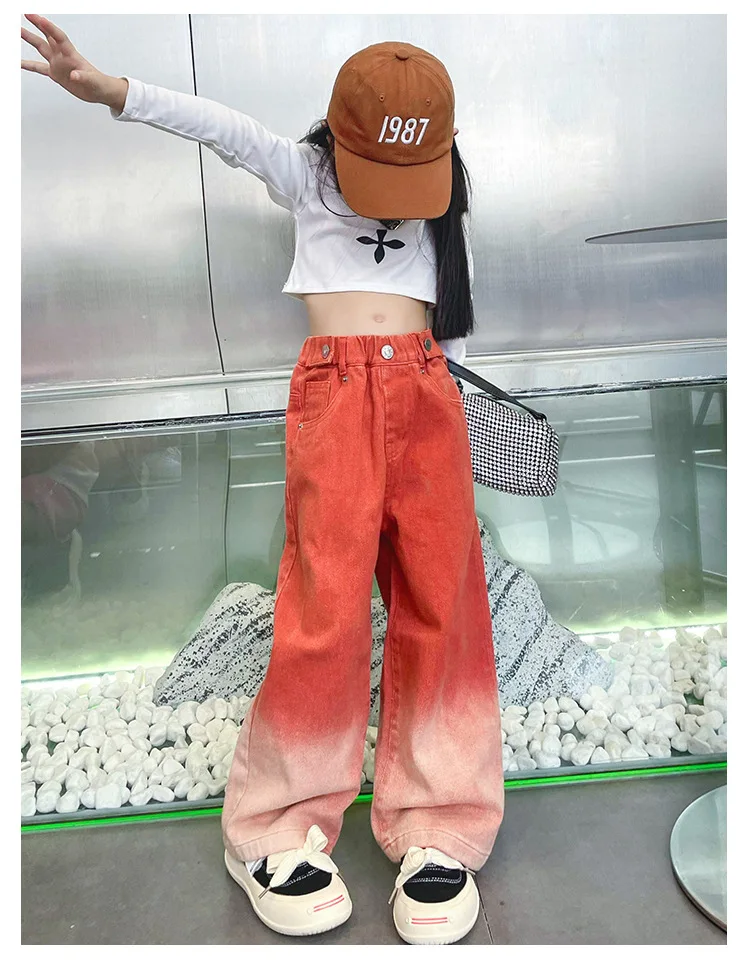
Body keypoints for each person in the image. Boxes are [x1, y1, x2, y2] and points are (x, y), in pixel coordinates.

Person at [22, 16, 504, 945]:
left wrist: (444, 409)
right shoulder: (307, 173)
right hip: (339, 397)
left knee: (445, 599)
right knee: (324, 606)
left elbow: (448, 326)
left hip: (427, 394)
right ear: (340, 140)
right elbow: (222, 127)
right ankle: (279, 823)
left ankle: (440, 818)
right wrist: (112, 89)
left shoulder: (443, 198)